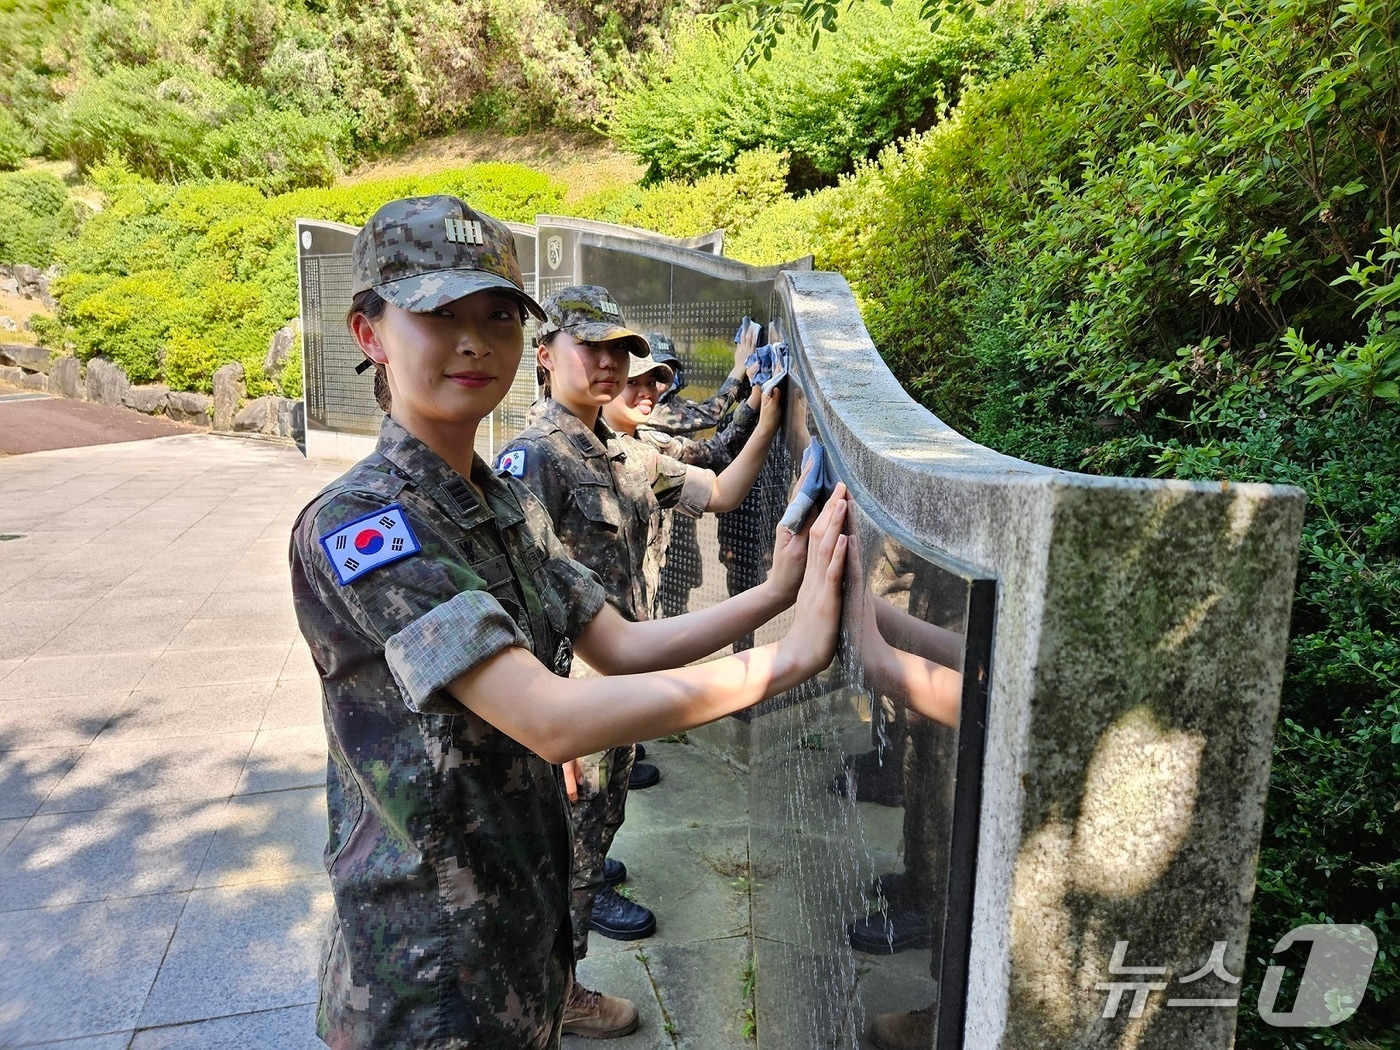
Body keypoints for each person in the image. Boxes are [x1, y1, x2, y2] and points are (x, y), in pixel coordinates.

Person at [289, 194, 848, 1048]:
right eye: (439, 314)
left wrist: (775, 597)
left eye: (498, 315)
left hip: (521, 924)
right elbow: (549, 719)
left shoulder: (502, 502)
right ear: (370, 334)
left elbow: (618, 643)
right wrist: (789, 661)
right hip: (428, 966)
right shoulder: (364, 524)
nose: (475, 341)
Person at [494, 285, 785, 1010]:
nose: (608, 363)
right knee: (570, 852)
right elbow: (517, 604)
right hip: (575, 697)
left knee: (598, 832)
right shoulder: (534, 460)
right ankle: (560, 995)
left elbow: (717, 491)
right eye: (588, 346)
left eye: (618, 348)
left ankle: (561, 985)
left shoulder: (622, 453)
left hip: (623, 681)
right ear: (544, 355)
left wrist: (770, 418)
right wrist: (544, 734)